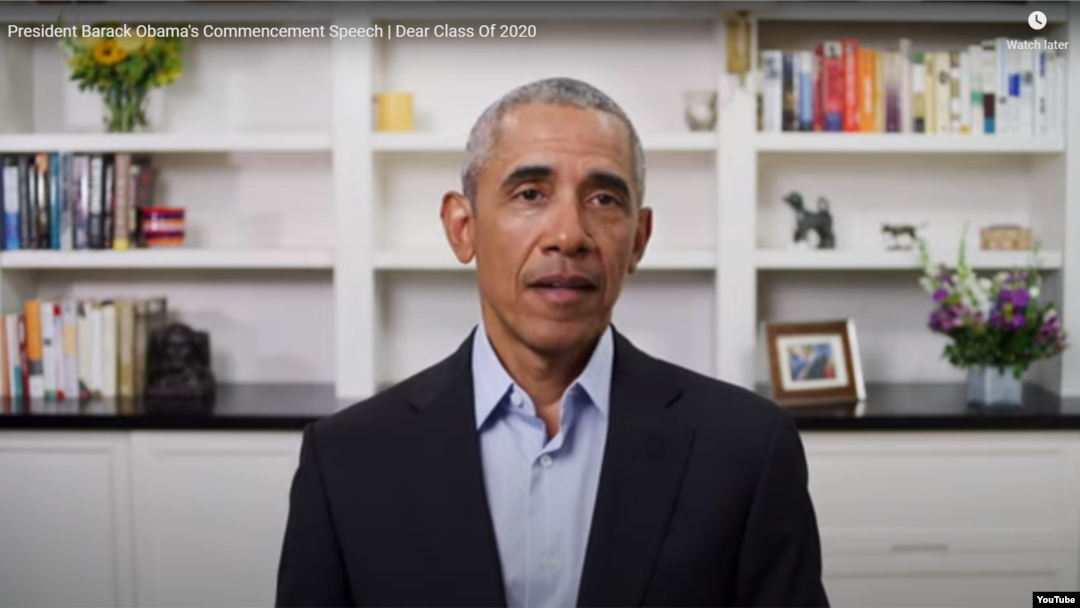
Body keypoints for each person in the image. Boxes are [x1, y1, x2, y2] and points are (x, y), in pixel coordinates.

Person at [275, 77, 830, 608]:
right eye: (530, 194)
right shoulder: (346, 459)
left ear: (638, 240)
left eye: (604, 199)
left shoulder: (747, 448)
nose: (568, 235)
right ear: (462, 228)